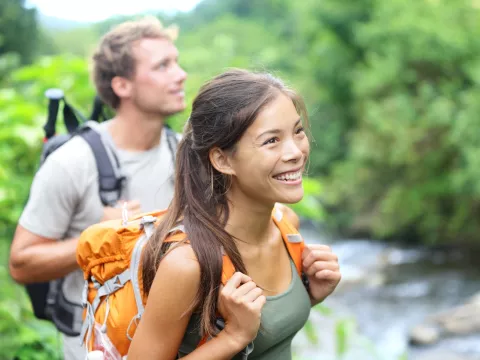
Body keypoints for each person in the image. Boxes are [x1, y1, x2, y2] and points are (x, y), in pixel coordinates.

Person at [128, 69, 341, 360]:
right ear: (222, 159)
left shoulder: (285, 225)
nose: (296, 152)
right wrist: (234, 336)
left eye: (298, 131)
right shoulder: (188, 265)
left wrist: (310, 294)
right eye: (271, 141)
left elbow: (269, 334)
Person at [9, 16, 187, 360]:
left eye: (176, 62)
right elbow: (21, 264)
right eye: (163, 65)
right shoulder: (73, 162)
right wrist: (104, 237)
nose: (180, 74)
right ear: (122, 86)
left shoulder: (186, 154)